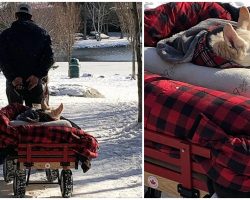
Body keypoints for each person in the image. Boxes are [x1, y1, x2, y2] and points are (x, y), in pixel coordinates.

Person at [0, 3, 54, 107]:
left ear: (16, 16)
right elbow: (49, 58)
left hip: (14, 84)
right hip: (34, 83)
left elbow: (2, 59)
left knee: (14, 116)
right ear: (31, 17)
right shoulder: (42, 34)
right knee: (35, 115)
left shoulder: (5, 35)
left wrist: (13, 78)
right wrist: (37, 76)